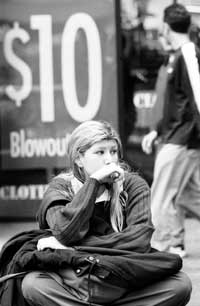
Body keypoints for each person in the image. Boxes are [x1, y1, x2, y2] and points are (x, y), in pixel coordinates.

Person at [17, 120, 192, 306]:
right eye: (100, 152)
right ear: (79, 159)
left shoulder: (133, 185)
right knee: (33, 284)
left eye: (113, 151)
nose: (110, 159)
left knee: (180, 285)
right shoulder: (61, 187)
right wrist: (93, 183)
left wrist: (73, 250)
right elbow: (66, 232)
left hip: (123, 276)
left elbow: (139, 240)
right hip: (78, 279)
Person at [142, 3, 200, 258]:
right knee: (188, 197)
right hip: (177, 135)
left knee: (161, 195)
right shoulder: (178, 54)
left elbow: (198, 97)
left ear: (166, 26)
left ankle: (162, 247)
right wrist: (157, 130)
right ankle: (172, 243)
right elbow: (177, 102)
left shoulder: (187, 52)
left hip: (183, 137)